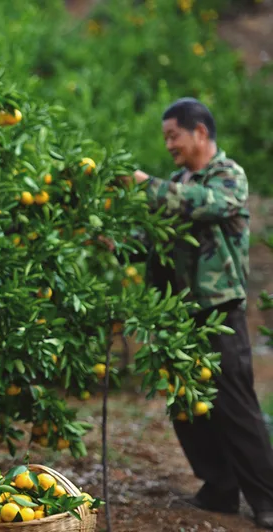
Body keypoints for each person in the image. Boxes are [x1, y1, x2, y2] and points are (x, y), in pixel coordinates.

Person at [124, 97, 273, 530]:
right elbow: (153, 238)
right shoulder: (174, 182)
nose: (169, 144)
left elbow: (201, 204)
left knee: (234, 405)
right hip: (177, 313)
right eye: (165, 137)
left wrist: (144, 184)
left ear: (200, 133)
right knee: (186, 404)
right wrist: (114, 243)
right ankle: (220, 486)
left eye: (174, 135)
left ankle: (265, 496)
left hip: (218, 310)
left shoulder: (228, 176)